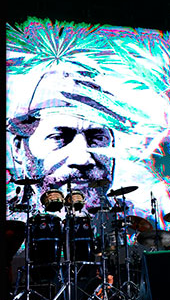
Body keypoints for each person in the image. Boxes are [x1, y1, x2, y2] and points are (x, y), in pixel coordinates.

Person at [7, 71, 116, 216]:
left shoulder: (134, 222)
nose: (82, 159)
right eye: (58, 138)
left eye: (98, 138)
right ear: (18, 148)